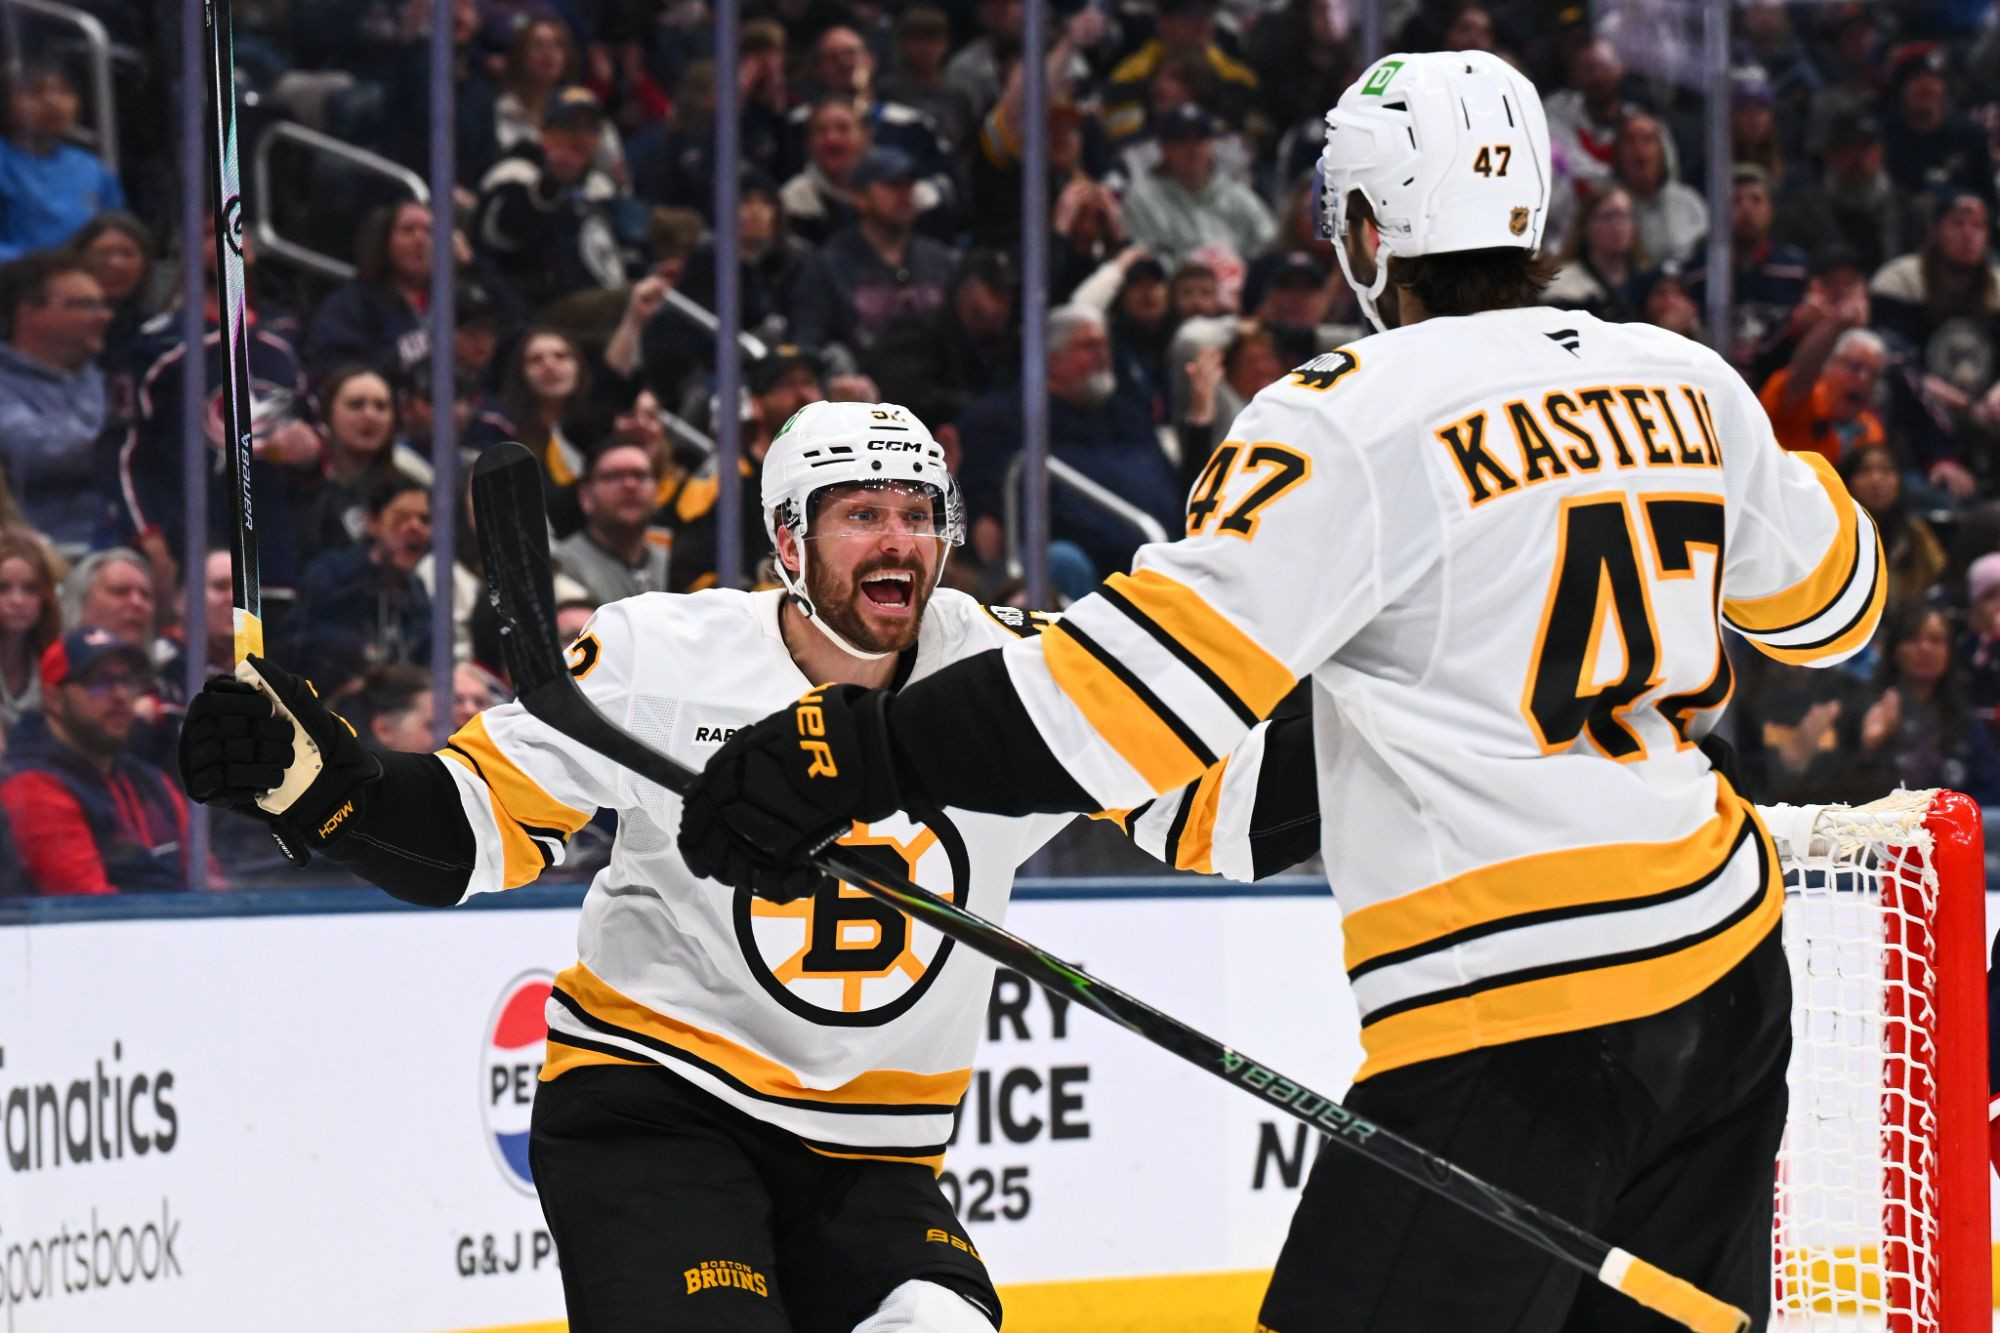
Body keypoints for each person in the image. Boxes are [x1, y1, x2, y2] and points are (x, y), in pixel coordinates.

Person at [679, 52, 1885, 1331]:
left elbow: (1125, 706)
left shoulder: (1344, 417)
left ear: (1367, 228)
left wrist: (855, 751)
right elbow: (1833, 606)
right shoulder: (1683, 376)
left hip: (1515, 1012)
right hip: (1726, 974)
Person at [175, 398, 1317, 1331]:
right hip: (655, 1109)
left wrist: (1389, 709)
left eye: (917, 513)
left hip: (874, 1156)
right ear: (787, 541)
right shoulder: (661, 658)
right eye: (860, 513)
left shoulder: (1017, 676)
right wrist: (320, 786)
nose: (898, 540)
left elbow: (1228, 816)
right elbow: (466, 831)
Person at [1, 628, 195, 894]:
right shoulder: (33, 788)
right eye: (99, 682)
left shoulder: (153, 783)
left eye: (127, 681)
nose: (120, 695)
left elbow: (209, 880)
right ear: (54, 699)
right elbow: (87, 904)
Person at [0, 249, 114, 552]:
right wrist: (127, 443)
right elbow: (37, 451)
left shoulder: (103, 379)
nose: (105, 316)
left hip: (114, 552)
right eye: (86, 305)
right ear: (28, 313)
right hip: (36, 557)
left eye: (104, 305)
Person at [0, 62, 125, 262]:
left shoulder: (90, 167)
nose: (52, 102)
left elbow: (116, 232)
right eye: (33, 92)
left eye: (64, 92)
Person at [553, 444, 673, 605]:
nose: (630, 485)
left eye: (640, 475)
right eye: (612, 476)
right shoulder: (561, 566)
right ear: (586, 496)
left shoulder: (673, 560)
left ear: (659, 491)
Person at [0, 530, 64, 731]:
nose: (17, 601)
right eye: (3, 588)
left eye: (30, 589)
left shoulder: (58, 658)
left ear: (45, 598)